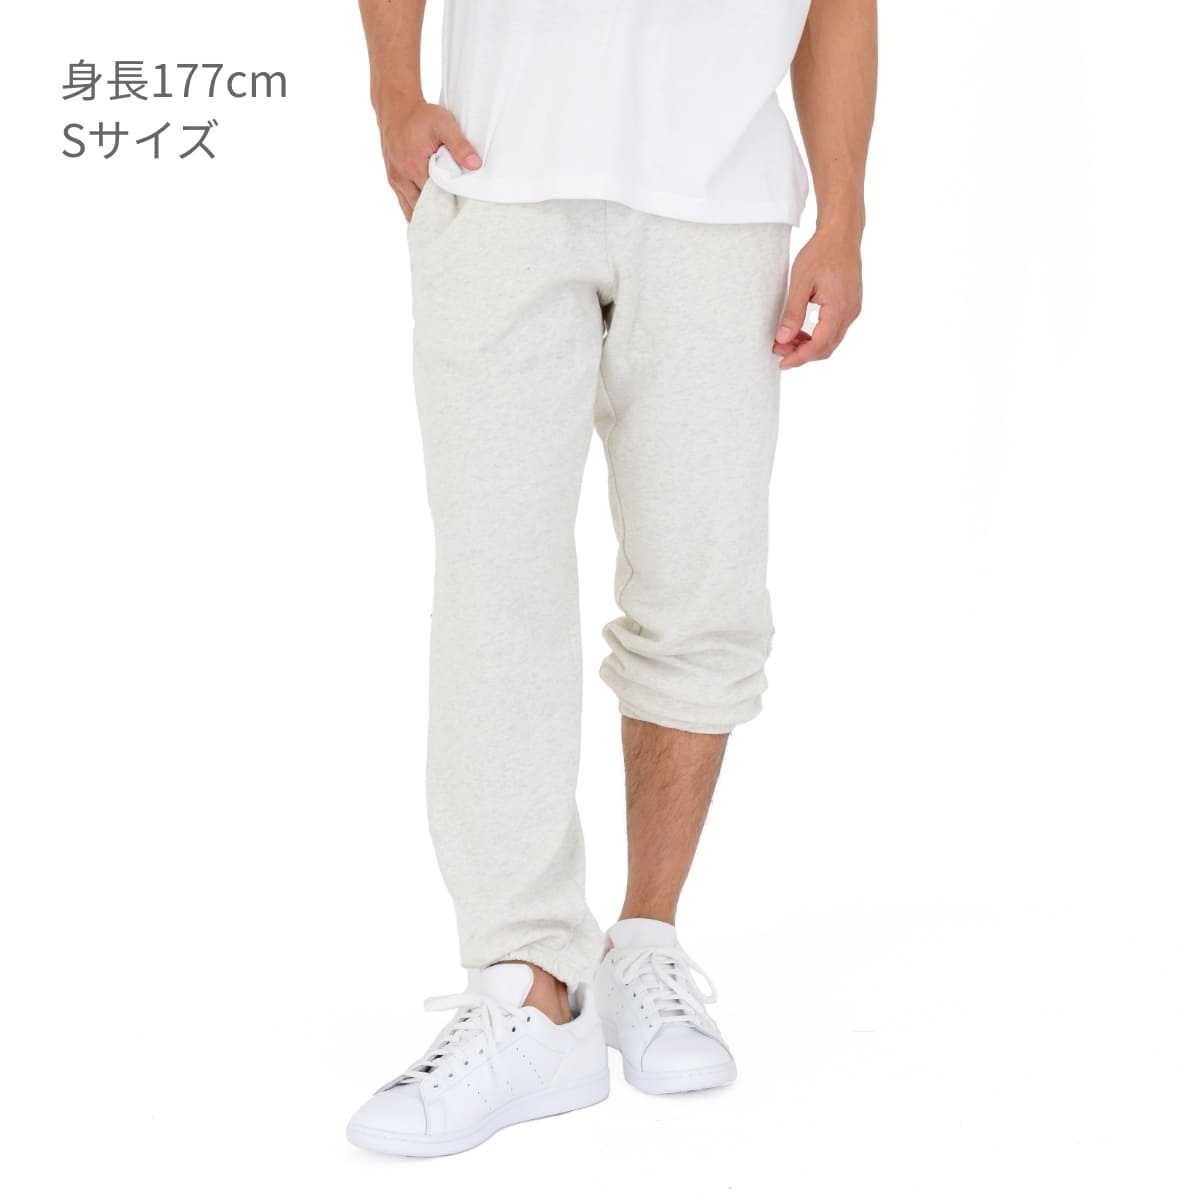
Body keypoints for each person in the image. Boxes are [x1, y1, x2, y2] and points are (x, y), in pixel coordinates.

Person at [348, 0, 876, 1157]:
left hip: (722, 200)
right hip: (497, 179)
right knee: (495, 594)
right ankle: (527, 986)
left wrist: (842, 214)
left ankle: (645, 940)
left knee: (703, 589)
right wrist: (392, 88)